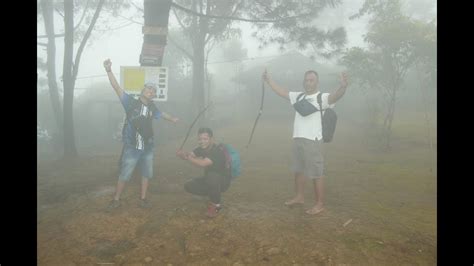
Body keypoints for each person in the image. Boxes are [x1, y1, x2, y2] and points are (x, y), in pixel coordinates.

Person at [262, 68, 348, 215]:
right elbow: (282, 92)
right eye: (306, 80)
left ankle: (320, 204)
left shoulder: (322, 98)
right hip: (298, 138)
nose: (308, 83)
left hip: (313, 140)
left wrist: (343, 86)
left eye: (311, 80)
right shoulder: (299, 96)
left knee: (316, 173)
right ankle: (299, 197)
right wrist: (269, 80)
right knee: (299, 170)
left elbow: (336, 96)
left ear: (317, 82)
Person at [103, 59, 179, 210]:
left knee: (146, 173)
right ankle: (116, 199)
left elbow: (161, 114)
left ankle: (143, 199)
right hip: (132, 147)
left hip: (148, 146)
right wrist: (108, 70)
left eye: (153, 91)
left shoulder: (152, 107)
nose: (151, 91)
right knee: (125, 174)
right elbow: (116, 87)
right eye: (148, 89)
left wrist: (172, 119)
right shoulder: (130, 102)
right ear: (142, 90)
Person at [176, 127, 231, 218]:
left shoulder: (216, 151)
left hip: (223, 182)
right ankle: (213, 195)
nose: (202, 141)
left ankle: (216, 205)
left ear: (211, 139)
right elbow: (189, 156)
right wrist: (182, 154)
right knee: (188, 185)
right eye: (200, 139)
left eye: (205, 139)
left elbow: (202, 163)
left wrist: (189, 158)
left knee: (212, 176)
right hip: (210, 180)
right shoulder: (201, 148)